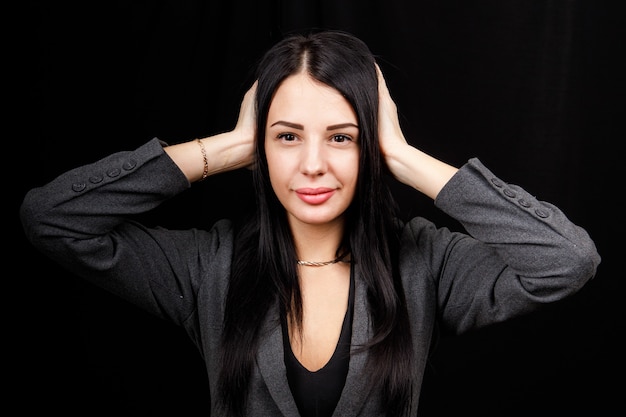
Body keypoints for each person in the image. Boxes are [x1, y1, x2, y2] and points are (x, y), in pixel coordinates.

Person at [20, 30, 600, 417]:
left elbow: (566, 260)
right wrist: (227, 146)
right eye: (287, 136)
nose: (314, 164)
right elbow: (53, 219)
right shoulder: (207, 267)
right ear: (261, 149)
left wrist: (400, 156)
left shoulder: (427, 264)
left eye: (342, 137)